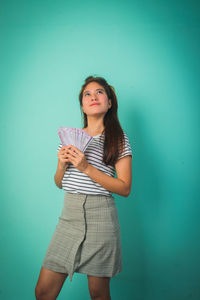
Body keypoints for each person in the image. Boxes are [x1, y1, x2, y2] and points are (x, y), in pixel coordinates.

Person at [35, 75, 133, 300]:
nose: (93, 96)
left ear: (109, 103)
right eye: (87, 94)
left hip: (101, 217)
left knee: (98, 294)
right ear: (82, 105)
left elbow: (125, 188)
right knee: (42, 292)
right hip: (69, 216)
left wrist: (86, 167)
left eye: (99, 92)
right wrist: (61, 166)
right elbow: (59, 182)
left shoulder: (118, 139)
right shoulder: (68, 140)